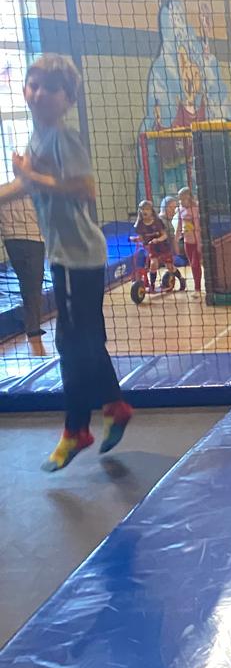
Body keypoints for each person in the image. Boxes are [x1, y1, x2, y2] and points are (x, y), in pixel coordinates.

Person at [0, 54, 133, 470]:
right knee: (83, 338)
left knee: (72, 342)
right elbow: (26, 186)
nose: (39, 93)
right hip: (64, 255)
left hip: (79, 257)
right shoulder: (37, 137)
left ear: (68, 99)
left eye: (51, 88)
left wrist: (32, 177)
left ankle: (77, 429)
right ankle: (113, 406)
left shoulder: (63, 138)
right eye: (33, 84)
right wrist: (19, 183)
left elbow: (84, 189)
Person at [0, 188, 46, 350]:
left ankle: (33, 326)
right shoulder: (25, 183)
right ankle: (33, 328)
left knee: (30, 283)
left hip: (20, 235)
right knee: (32, 283)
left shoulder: (26, 183)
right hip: (24, 236)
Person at [132, 199, 172, 289]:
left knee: (169, 266)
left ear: (151, 211)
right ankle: (152, 285)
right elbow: (142, 237)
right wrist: (136, 239)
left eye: (147, 209)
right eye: (142, 209)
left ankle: (180, 279)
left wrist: (157, 240)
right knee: (153, 264)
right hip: (151, 247)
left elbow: (165, 235)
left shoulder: (157, 222)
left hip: (162, 246)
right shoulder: (140, 224)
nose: (144, 211)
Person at [177, 186, 202, 294]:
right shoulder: (180, 209)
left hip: (196, 242)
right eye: (180, 199)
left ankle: (197, 288)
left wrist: (199, 244)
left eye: (184, 199)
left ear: (190, 198)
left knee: (196, 264)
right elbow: (179, 226)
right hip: (187, 242)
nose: (182, 202)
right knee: (192, 264)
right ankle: (197, 287)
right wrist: (176, 240)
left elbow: (197, 228)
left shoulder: (195, 210)